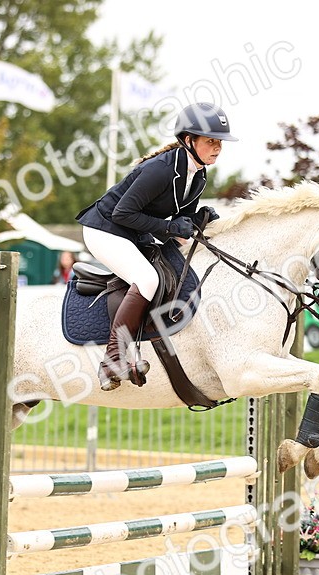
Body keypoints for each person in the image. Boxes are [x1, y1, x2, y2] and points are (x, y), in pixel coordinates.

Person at [76, 101, 236, 390]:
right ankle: (113, 358)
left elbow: (179, 222)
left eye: (220, 142)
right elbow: (121, 213)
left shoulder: (198, 175)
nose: (217, 148)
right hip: (105, 230)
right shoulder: (161, 170)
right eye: (211, 141)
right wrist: (169, 226)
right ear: (189, 140)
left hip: (134, 233)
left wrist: (195, 219)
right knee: (147, 278)